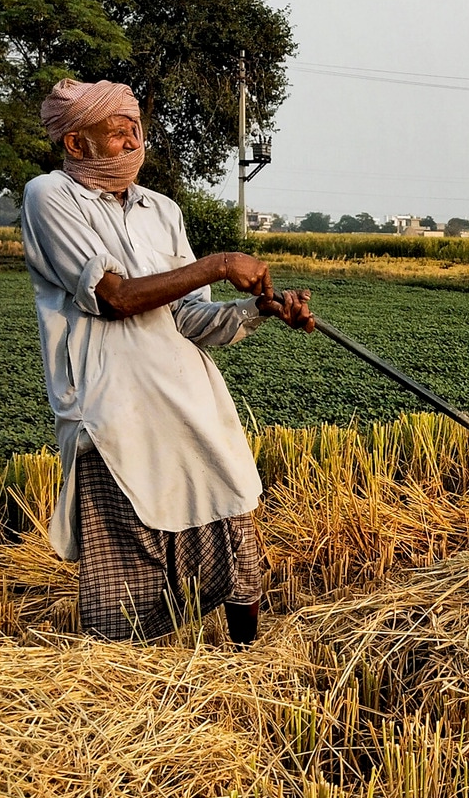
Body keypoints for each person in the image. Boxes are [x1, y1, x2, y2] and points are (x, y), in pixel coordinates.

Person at [20, 77, 314, 644]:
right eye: (117, 132)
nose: (134, 142)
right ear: (76, 144)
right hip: (112, 413)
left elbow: (189, 319)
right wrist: (220, 262)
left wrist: (263, 308)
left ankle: (245, 662)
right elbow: (115, 296)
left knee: (232, 525)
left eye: (136, 129)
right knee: (124, 567)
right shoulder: (49, 196)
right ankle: (131, 690)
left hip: (187, 400)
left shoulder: (162, 210)